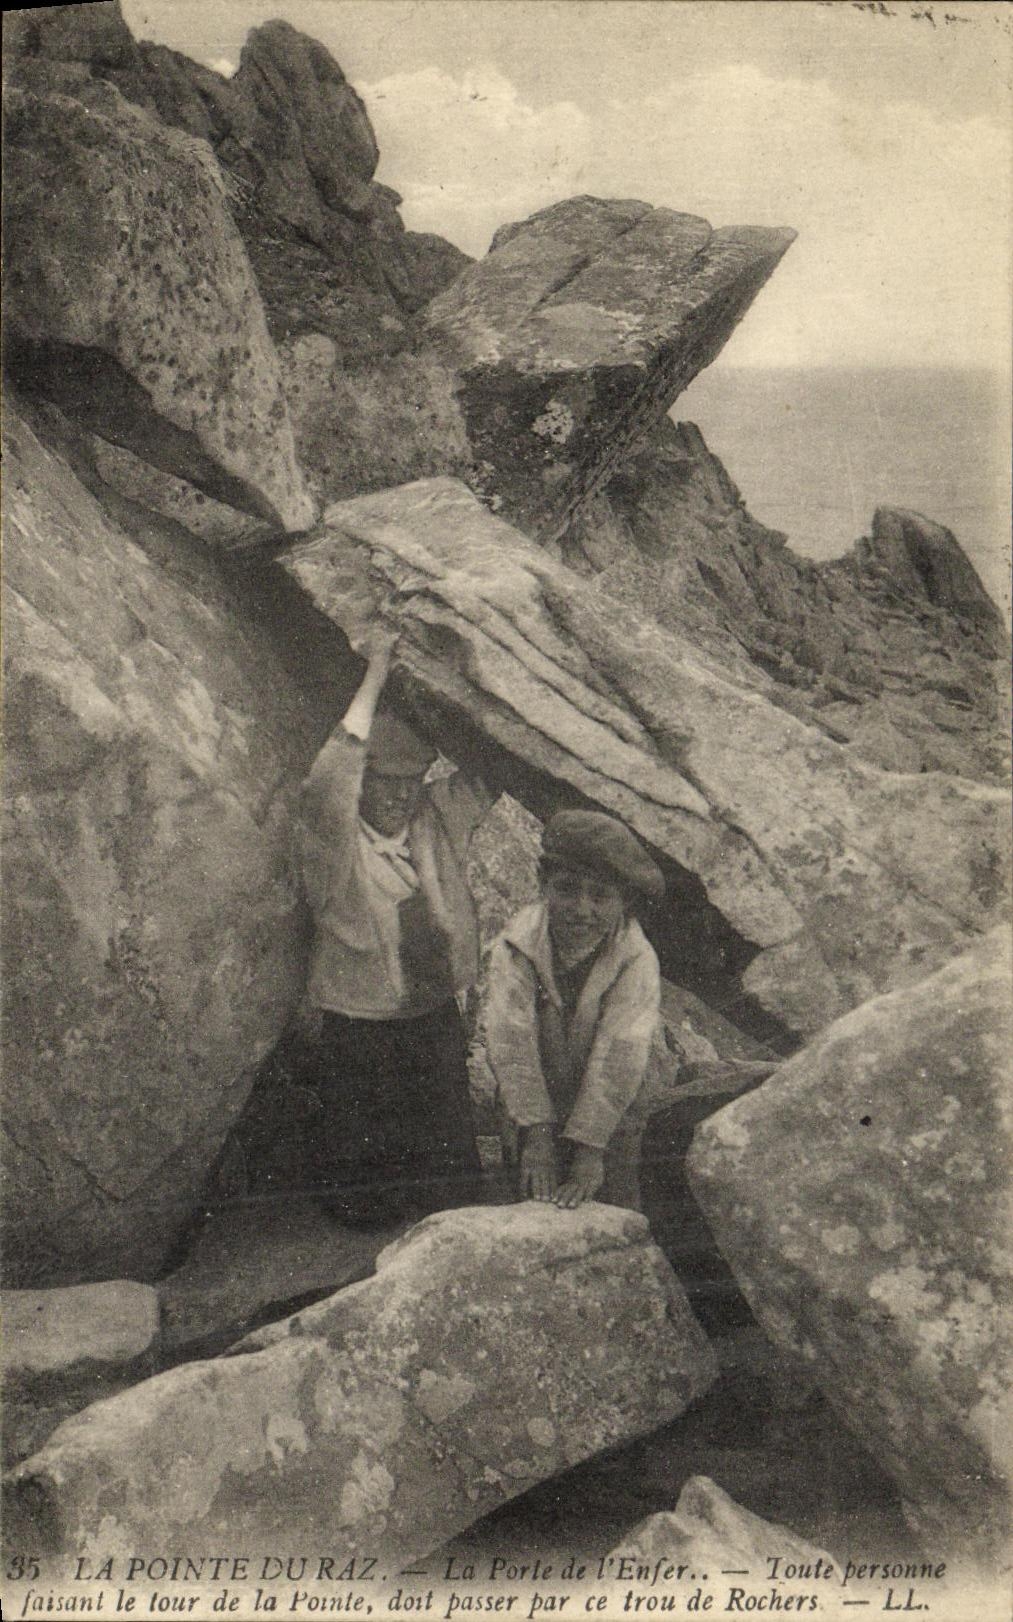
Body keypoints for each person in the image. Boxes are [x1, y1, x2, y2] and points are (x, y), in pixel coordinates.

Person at [297, 622, 496, 1226]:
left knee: (453, 1187)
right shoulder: (332, 837)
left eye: (410, 782)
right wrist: (378, 671)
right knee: (361, 1192)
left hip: (430, 1011)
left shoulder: (434, 819)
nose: (398, 797)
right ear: (362, 785)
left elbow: (490, 775)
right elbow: (334, 767)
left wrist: (455, 701)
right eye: (384, 782)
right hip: (357, 1022)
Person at [483, 808, 670, 1212]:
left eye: (600, 895)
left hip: (614, 1104)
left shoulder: (636, 958)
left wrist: (589, 1150)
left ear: (624, 902)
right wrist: (537, 1134)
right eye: (567, 889)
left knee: (611, 1203)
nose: (582, 908)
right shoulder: (516, 946)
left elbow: (620, 1053)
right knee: (532, 1200)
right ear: (542, 884)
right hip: (534, 1097)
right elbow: (511, 1040)